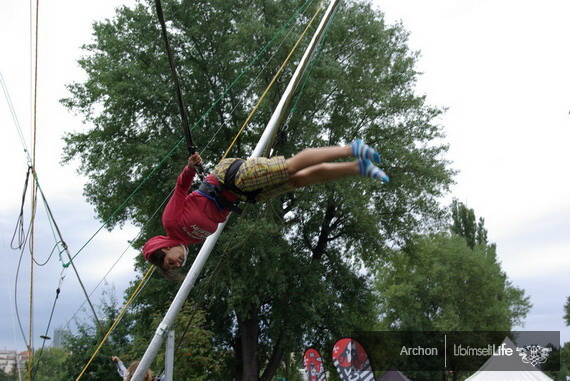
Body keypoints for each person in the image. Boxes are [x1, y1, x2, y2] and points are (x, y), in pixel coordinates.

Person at [142, 138, 388, 279]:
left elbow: (181, 187)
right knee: (298, 180)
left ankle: (350, 149)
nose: (178, 263)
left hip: (228, 178)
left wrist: (189, 167)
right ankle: (358, 166)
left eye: (170, 262)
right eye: (175, 267)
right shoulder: (192, 240)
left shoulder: (171, 223)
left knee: (289, 167)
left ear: (164, 248)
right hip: (242, 195)